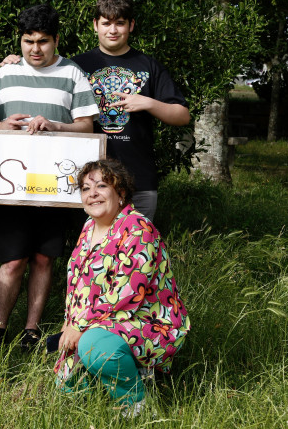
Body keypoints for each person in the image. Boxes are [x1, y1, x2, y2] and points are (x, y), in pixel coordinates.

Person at [0, 4, 99, 350]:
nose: (35, 49)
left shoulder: (73, 74)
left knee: (43, 258)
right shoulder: (3, 75)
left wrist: (56, 125)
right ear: (20, 40)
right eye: (28, 41)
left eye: (43, 42)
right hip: (11, 184)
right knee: (13, 259)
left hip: (57, 187)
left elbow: (87, 127)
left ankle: (31, 329)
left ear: (56, 41)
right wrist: (2, 126)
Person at [53, 159, 190, 417]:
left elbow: (125, 293)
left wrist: (80, 327)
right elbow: (78, 286)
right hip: (100, 321)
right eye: (85, 188)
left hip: (146, 321)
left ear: (121, 193)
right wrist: (68, 323)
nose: (92, 193)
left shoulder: (138, 228)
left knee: (94, 347)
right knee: (68, 391)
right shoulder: (88, 228)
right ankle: (120, 376)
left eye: (102, 185)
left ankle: (137, 404)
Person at [71, 0, 190, 220]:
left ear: (131, 25)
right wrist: (16, 63)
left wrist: (148, 102)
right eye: (106, 23)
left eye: (120, 23)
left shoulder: (148, 65)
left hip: (139, 179)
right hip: (91, 182)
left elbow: (182, 115)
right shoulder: (76, 66)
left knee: (137, 251)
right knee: (97, 251)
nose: (113, 30)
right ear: (95, 25)